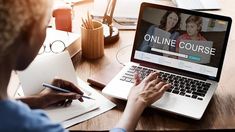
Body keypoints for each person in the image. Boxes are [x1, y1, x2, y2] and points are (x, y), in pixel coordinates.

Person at [0, 0, 171, 132]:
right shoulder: (34, 127)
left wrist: (40, 100)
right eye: (45, 25)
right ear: (27, 34)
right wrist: (136, 102)